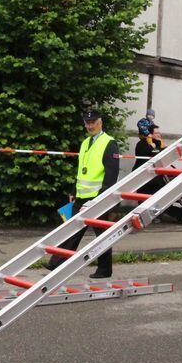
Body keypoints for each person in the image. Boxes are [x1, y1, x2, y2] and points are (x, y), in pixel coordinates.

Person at [44, 108, 119, 278]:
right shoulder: (86, 142)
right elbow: (81, 170)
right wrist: (73, 190)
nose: (90, 125)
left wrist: (102, 197)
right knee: (73, 229)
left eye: (93, 122)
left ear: (101, 123)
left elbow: (111, 175)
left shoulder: (109, 143)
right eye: (87, 123)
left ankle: (105, 269)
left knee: (101, 234)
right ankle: (57, 263)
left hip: (99, 197)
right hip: (81, 195)